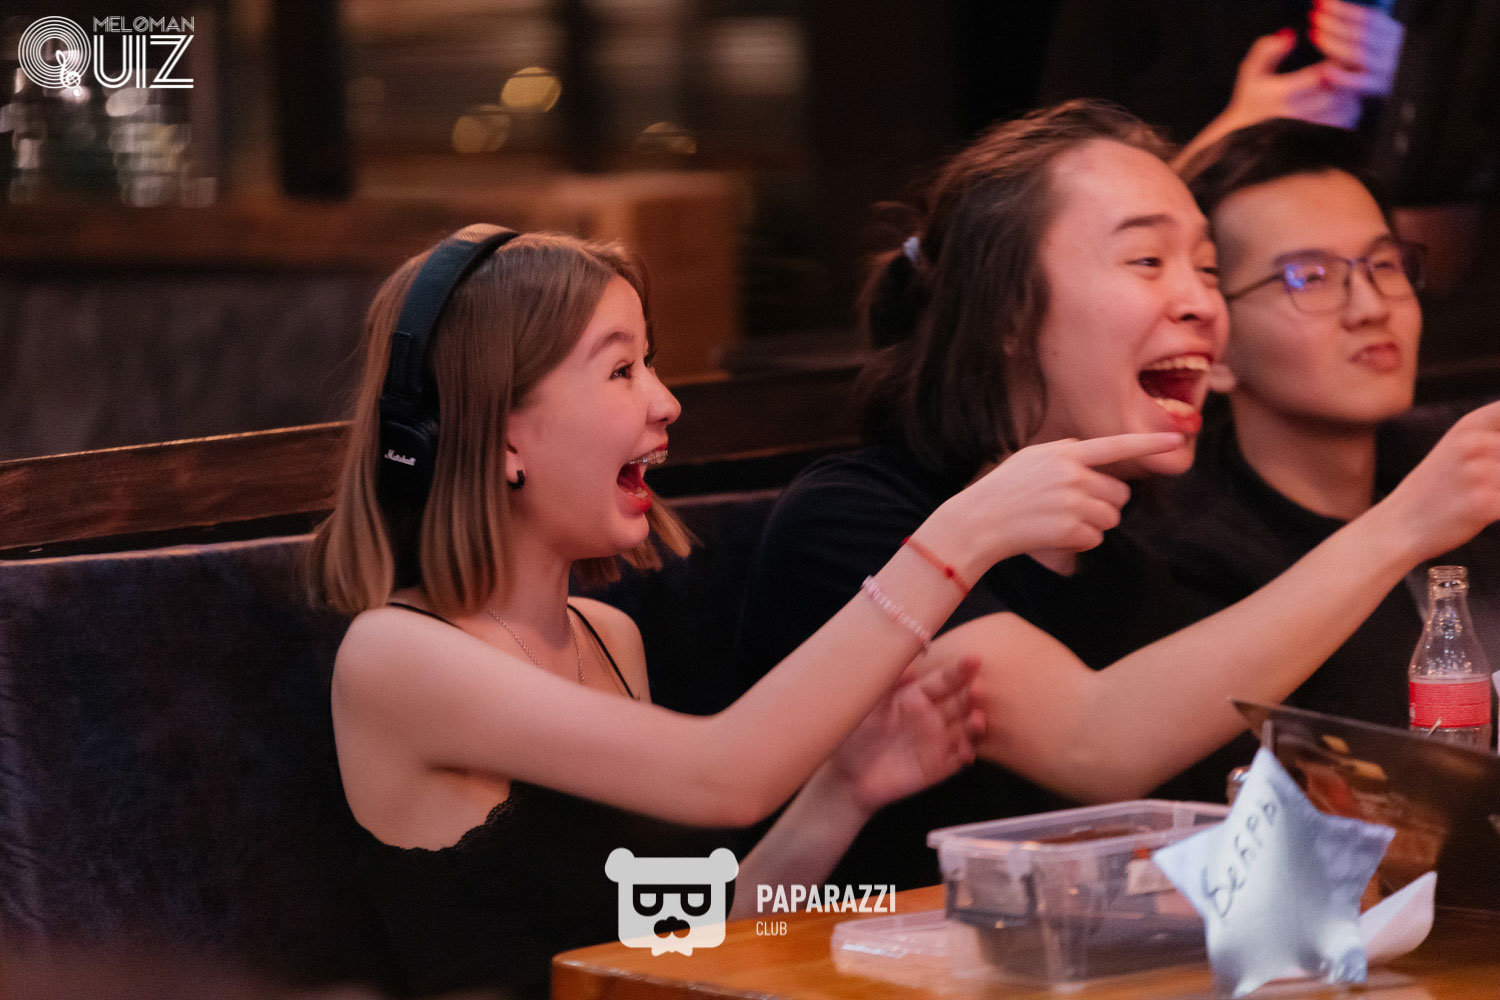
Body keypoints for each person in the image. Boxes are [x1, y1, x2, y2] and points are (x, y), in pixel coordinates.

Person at [306, 225, 1180, 999]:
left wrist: (840, 794)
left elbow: (675, 944)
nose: (666, 402)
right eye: (621, 369)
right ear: (501, 432)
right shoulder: (394, 656)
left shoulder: (608, 637)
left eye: (649, 365)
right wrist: (959, 537)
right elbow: (724, 776)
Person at [730, 99, 1500, 890]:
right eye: (1147, 261)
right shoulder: (853, 521)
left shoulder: (1135, 562)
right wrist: (1405, 524)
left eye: (1207, 269)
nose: (1201, 303)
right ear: (1006, 311)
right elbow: (1093, 741)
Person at [1132, 118, 1500, 756]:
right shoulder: (1188, 562)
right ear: (1215, 346)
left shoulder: (1466, 474)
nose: (1371, 307)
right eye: (1309, 277)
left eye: (1384, 264)